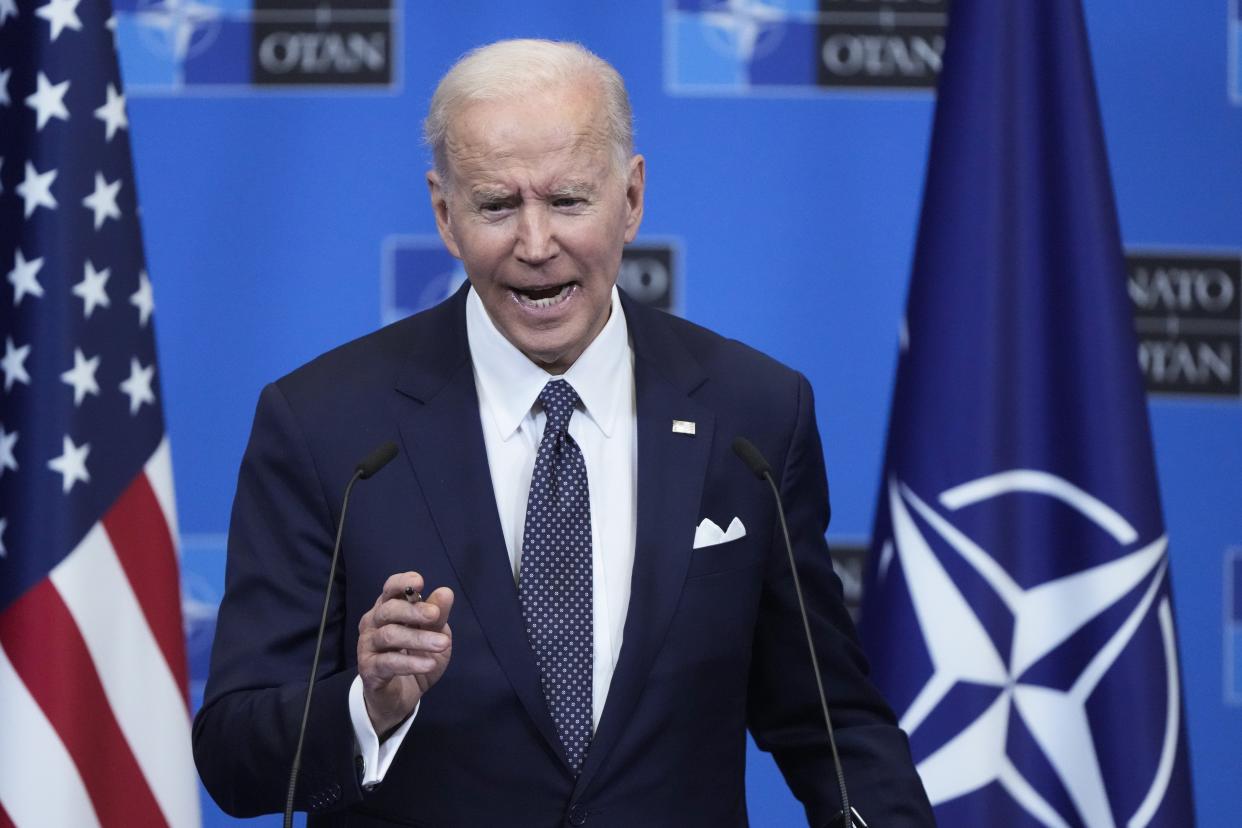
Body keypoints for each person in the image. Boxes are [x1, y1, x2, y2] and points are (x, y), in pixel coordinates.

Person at [193, 39, 934, 827]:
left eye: (570, 201)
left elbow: (827, 721)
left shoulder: (753, 415)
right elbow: (235, 759)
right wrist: (365, 705)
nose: (537, 245)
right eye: (497, 206)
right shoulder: (326, 426)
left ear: (633, 196)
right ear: (445, 214)